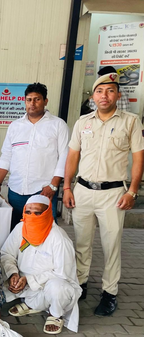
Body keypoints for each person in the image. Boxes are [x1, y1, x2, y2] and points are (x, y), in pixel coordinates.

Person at [63, 72, 144, 316]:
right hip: (83, 191)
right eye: (99, 91)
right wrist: (66, 187)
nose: (104, 96)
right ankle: (80, 284)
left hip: (113, 194)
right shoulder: (83, 122)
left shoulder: (131, 121)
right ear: (93, 97)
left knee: (111, 246)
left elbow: (139, 158)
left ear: (118, 95)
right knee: (81, 243)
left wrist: (132, 191)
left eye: (110, 91)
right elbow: (72, 156)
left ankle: (110, 293)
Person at [1, 195, 81, 334]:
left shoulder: (59, 238)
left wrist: (29, 280)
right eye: (28, 212)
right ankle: (32, 304)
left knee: (58, 288)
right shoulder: (21, 228)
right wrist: (13, 274)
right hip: (25, 283)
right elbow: (7, 254)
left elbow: (62, 273)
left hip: (51, 284)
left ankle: (55, 314)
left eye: (38, 213)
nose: (32, 216)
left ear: (48, 213)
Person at [0, 83, 69, 230]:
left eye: (37, 99)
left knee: (44, 231)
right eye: (29, 100)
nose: (32, 103)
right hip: (16, 190)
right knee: (17, 230)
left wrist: (53, 185)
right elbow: (6, 156)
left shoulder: (58, 125)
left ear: (45, 101)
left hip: (43, 191)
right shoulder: (15, 126)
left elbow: (65, 157)